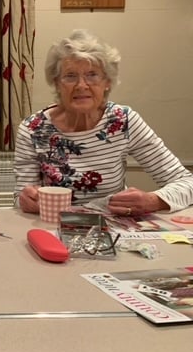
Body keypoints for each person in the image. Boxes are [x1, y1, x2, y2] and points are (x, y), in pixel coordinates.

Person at [15, 29, 193, 216]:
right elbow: (21, 197)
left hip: (112, 230)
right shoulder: (33, 129)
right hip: (53, 227)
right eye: (70, 76)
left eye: (92, 75)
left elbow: (187, 182)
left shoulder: (123, 121)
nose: (82, 85)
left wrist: (153, 201)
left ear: (107, 81)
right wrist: (25, 200)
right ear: (57, 83)